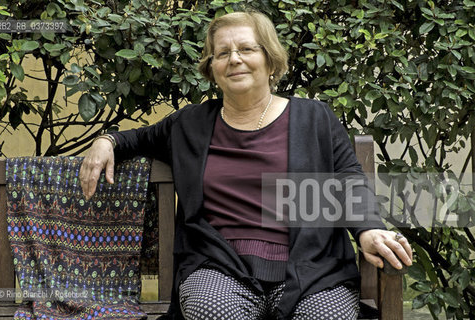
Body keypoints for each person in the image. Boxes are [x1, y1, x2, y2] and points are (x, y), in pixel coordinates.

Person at [80, 11, 412, 320]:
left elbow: (348, 179)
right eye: (222, 53)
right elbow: (136, 139)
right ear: (212, 69)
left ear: (270, 60)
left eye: (246, 49)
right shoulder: (189, 124)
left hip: (310, 268)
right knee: (212, 310)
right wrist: (105, 141)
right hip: (220, 266)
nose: (234, 59)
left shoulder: (315, 118)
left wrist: (368, 229)